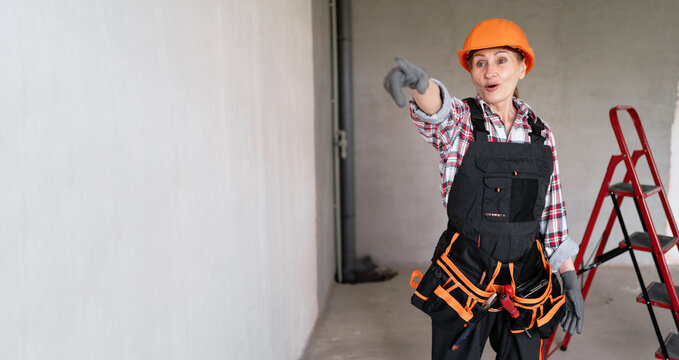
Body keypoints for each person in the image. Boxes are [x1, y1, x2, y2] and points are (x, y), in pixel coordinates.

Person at [383, 18, 584, 360]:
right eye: (480, 62)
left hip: (526, 279)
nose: (490, 71)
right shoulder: (461, 122)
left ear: (523, 67)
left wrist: (569, 276)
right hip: (465, 275)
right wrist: (421, 84)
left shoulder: (541, 133)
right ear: (472, 72)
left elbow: (552, 208)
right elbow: (438, 108)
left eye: (501, 60)